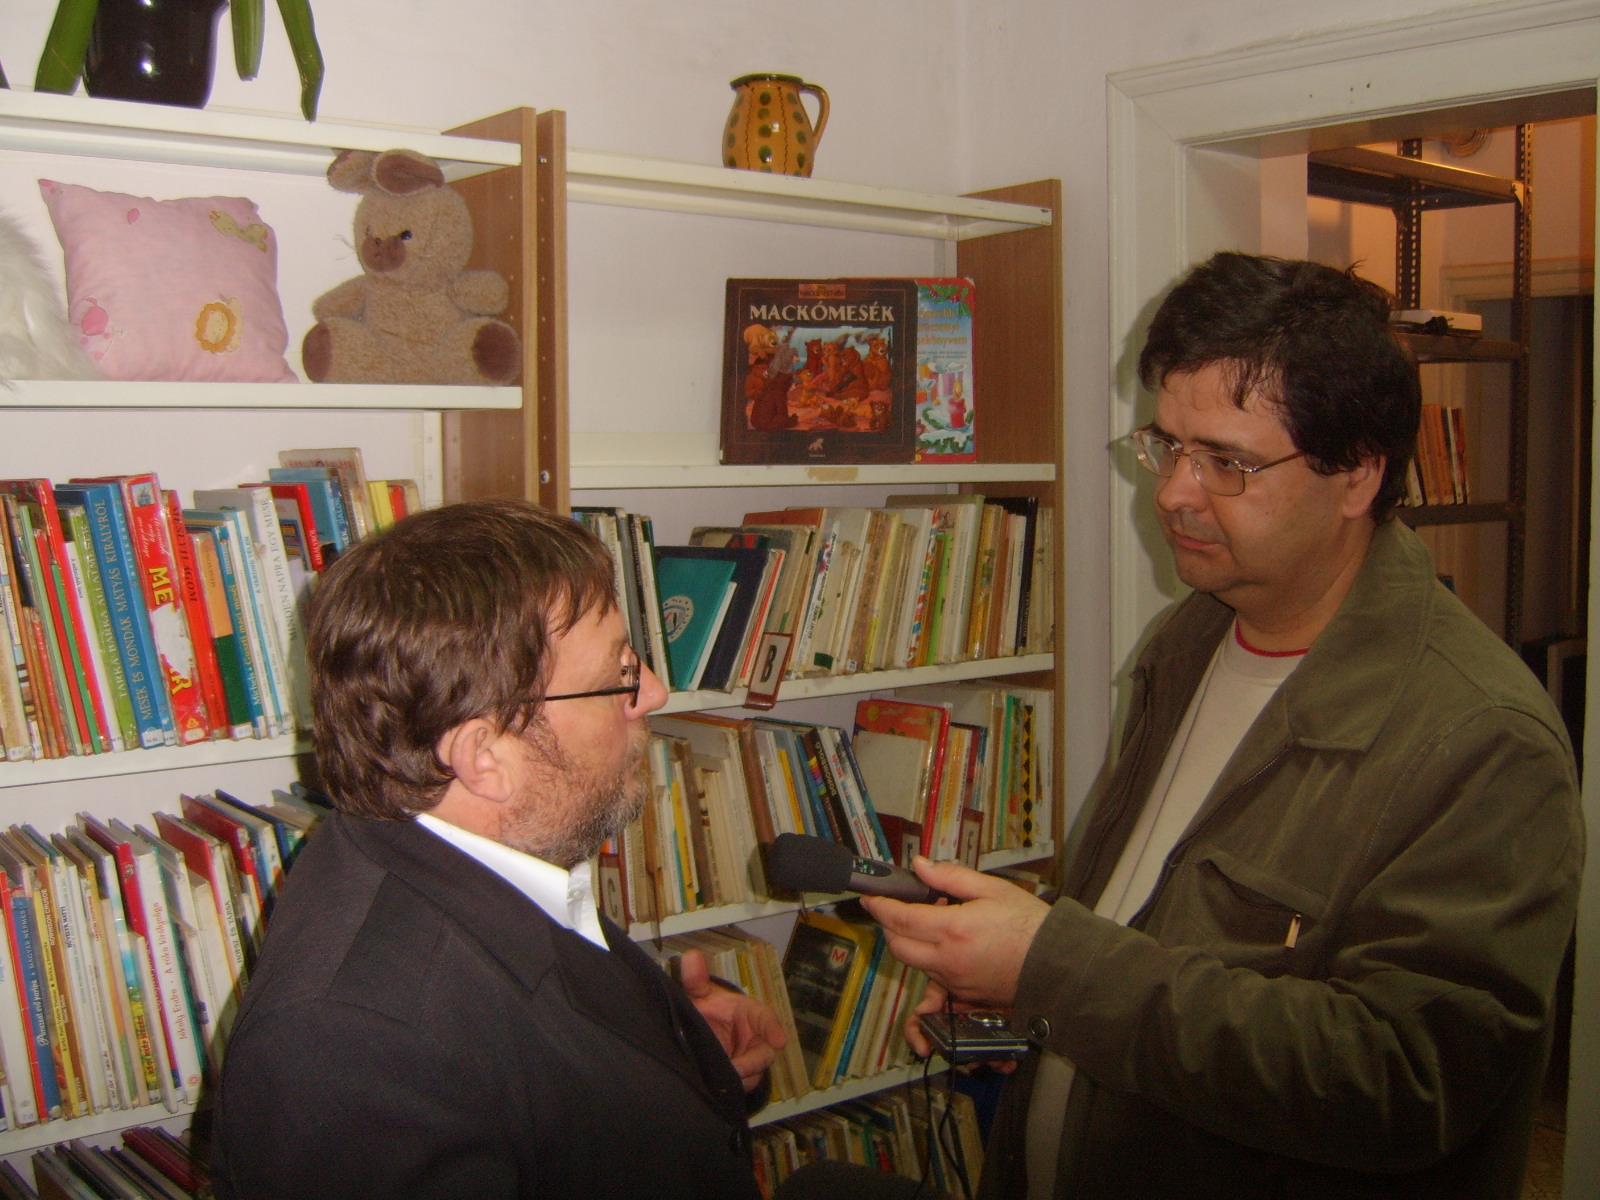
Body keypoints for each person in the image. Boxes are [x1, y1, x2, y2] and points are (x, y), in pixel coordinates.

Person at [861, 252, 1585, 1200]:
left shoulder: (1482, 739)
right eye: (1167, 446)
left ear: (1358, 475)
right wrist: (1024, 1004)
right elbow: (1153, 943)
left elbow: (1407, 1083)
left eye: (1227, 463)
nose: (1172, 492)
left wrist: (1056, 968)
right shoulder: (1192, 637)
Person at [209, 498, 787, 1199]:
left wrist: (679, 1055)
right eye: (620, 673)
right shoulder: (352, 1048)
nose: (656, 694)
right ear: (485, 757)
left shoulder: (458, 851)